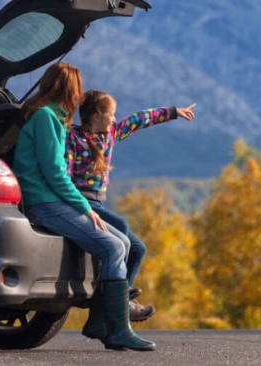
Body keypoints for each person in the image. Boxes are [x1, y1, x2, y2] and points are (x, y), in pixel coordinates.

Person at [12, 63, 155, 351]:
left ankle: (103, 322)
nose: (79, 96)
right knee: (114, 247)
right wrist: (86, 209)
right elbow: (54, 173)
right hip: (45, 203)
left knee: (124, 243)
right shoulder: (45, 118)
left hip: (53, 200)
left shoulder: (51, 118)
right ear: (68, 89)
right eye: (76, 89)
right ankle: (118, 330)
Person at [67, 89, 196, 334]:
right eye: (111, 114)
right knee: (123, 227)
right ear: (96, 115)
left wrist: (173, 112)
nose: (115, 119)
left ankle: (114, 302)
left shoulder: (110, 135)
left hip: (98, 203)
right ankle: (116, 306)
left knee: (138, 248)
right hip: (82, 203)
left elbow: (139, 119)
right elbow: (65, 175)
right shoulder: (73, 138)